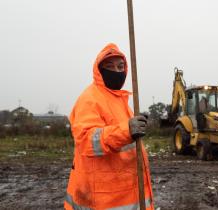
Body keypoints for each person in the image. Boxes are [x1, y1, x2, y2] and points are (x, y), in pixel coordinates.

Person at [64, 43, 154, 210]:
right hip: (102, 199)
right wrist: (127, 130)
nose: (117, 71)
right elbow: (87, 140)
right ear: (99, 70)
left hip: (124, 194)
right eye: (110, 66)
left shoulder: (120, 100)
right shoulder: (90, 99)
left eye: (121, 67)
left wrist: (134, 126)